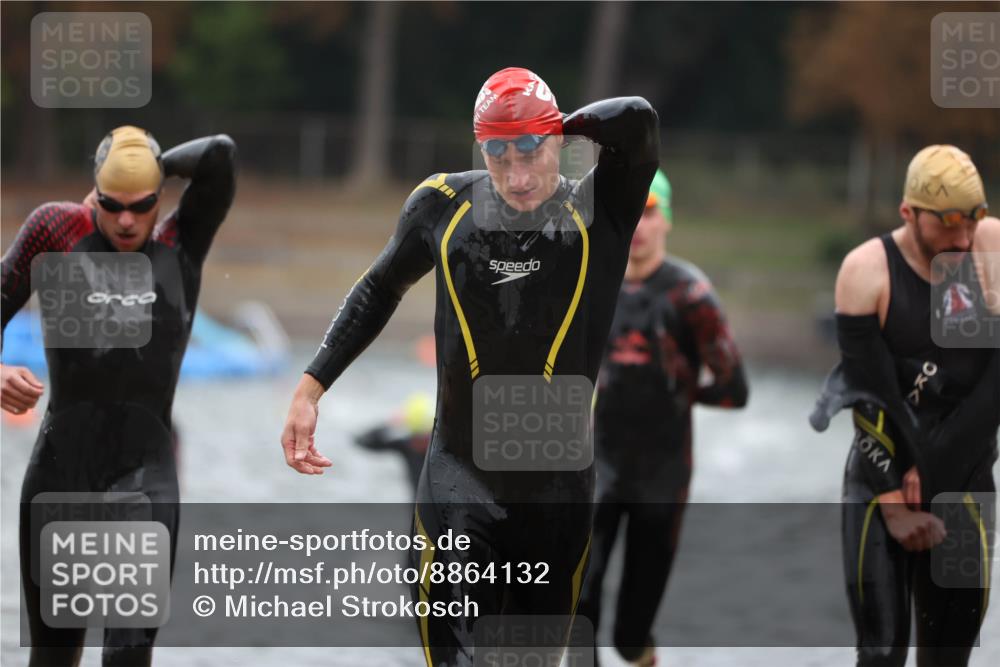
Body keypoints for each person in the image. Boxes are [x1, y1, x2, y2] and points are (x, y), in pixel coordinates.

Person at [280, 66, 659, 665]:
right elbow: (378, 289)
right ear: (480, 149)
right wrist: (310, 388)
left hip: (556, 496)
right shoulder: (441, 206)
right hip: (460, 483)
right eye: (498, 154)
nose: (517, 175)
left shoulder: (600, 213)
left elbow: (637, 119)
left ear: (559, 142)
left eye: (531, 152)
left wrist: (548, 118)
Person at [1, 125, 237, 666]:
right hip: (60, 475)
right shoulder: (56, 230)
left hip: (143, 477)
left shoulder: (181, 243)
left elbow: (220, 155)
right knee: (54, 656)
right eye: (112, 205)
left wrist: (152, 163)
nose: (127, 220)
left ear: (160, 197)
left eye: (142, 204)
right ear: (94, 194)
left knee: (128, 655)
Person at [811, 145, 999, 667]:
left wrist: (934, 470)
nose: (961, 241)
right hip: (881, 474)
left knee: (948, 658)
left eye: (972, 223)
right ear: (908, 214)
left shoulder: (990, 251)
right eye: (946, 226)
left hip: (962, 479)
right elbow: (870, 395)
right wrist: (896, 498)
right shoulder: (868, 270)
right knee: (879, 654)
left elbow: (993, 393)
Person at [577, 170, 748, 666]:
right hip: (595, 468)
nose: (639, 227)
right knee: (576, 606)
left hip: (662, 478)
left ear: (666, 219)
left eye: (649, 213)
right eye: (631, 213)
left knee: (631, 636)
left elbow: (736, 390)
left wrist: (677, 389)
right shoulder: (590, 285)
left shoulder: (690, 295)